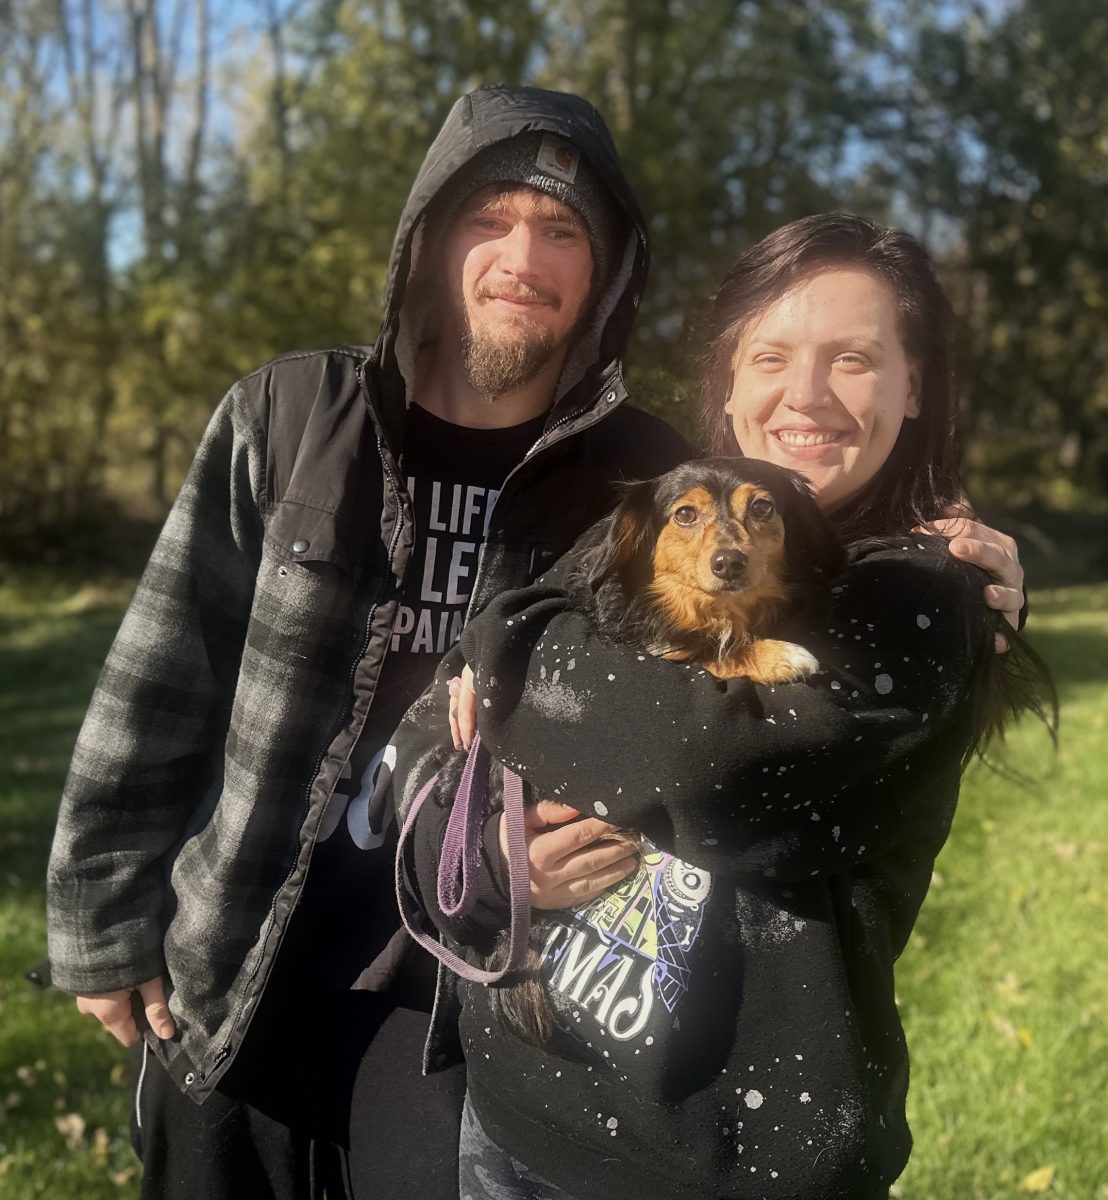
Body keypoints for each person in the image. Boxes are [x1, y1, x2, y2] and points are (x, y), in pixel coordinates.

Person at [44, 85, 696, 1199]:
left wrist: (931, 559)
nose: (522, 258)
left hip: (472, 995)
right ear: (429, 240)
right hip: (241, 962)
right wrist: (101, 922)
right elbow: (161, 675)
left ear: (607, 273)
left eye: (562, 231)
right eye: (489, 218)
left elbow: (739, 632)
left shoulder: (644, 479)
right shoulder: (289, 416)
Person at [394, 213, 1055, 1200]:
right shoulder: (650, 521)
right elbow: (430, 736)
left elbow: (688, 764)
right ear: (731, 384)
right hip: (513, 1115)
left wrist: (507, 657)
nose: (806, 394)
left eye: (854, 359)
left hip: (729, 1165)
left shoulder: (921, 592)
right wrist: (494, 864)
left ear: (914, 385)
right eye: (772, 357)